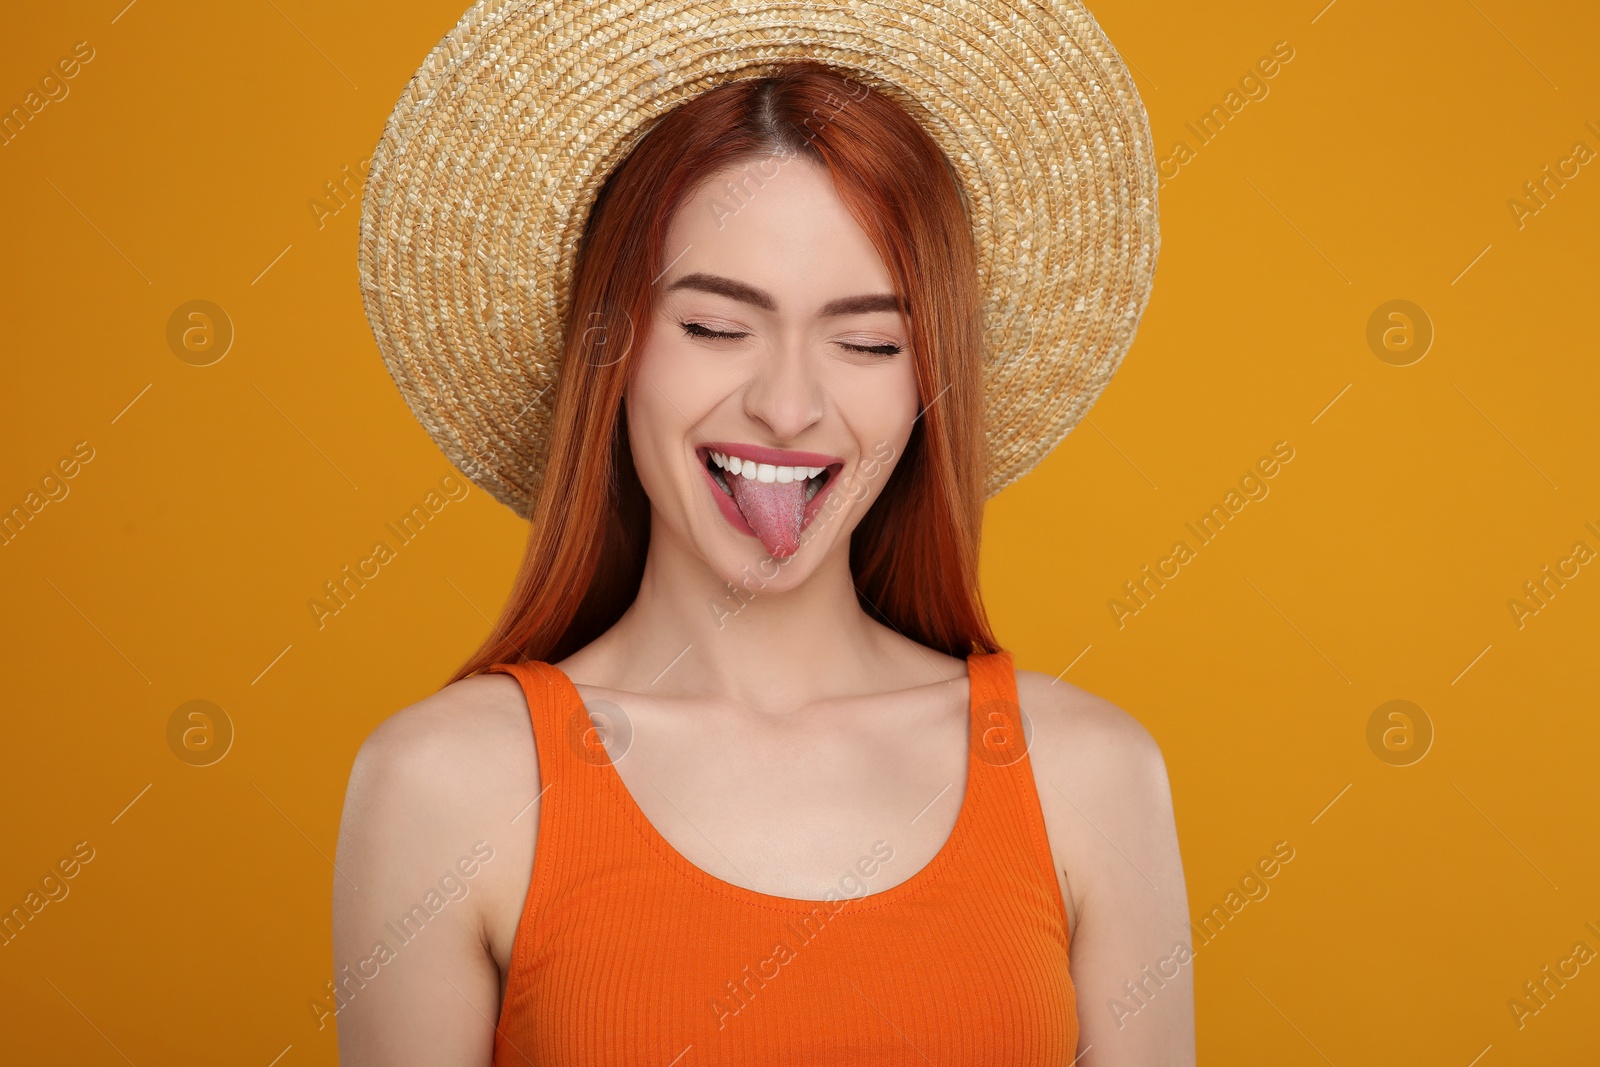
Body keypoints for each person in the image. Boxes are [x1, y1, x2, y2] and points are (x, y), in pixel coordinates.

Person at [335, 2, 1190, 1063]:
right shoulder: (445, 783)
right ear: (615, 347)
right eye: (714, 327)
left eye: (869, 341)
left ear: (928, 384)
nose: (788, 407)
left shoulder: (1091, 774)